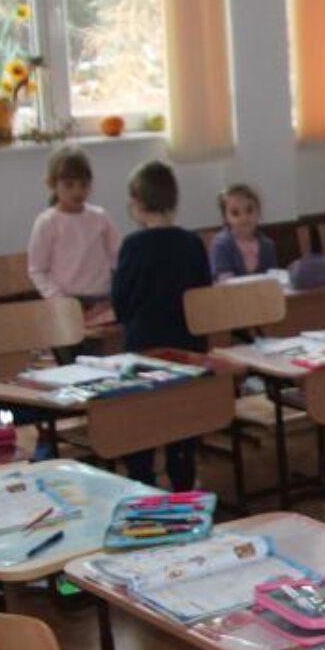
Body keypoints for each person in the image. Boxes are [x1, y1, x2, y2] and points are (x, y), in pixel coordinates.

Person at [111, 162, 213, 490]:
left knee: (142, 416)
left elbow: (121, 302)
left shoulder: (133, 246)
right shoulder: (192, 243)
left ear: (137, 203)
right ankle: (183, 481)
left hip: (145, 347)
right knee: (181, 419)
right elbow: (203, 296)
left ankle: (142, 479)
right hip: (187, 347)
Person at [27, 147, 120, 306]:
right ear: (51, 184)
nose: (78, 191)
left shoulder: (100, 217)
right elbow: (37, 270)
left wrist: (120, 288)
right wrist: (59, 299)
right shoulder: (47, 222)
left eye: (83, 184)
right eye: (69, 185)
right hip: (65, 301)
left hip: (103, 297)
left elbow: (117, 256)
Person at [209, 183, 278, 280]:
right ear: (225, 218)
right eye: (235, 213)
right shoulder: (221, 245)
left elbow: (273, 279)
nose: (244, 218)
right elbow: (224, 282)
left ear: (258, 211)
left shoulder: (267, 245)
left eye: (249, 210)